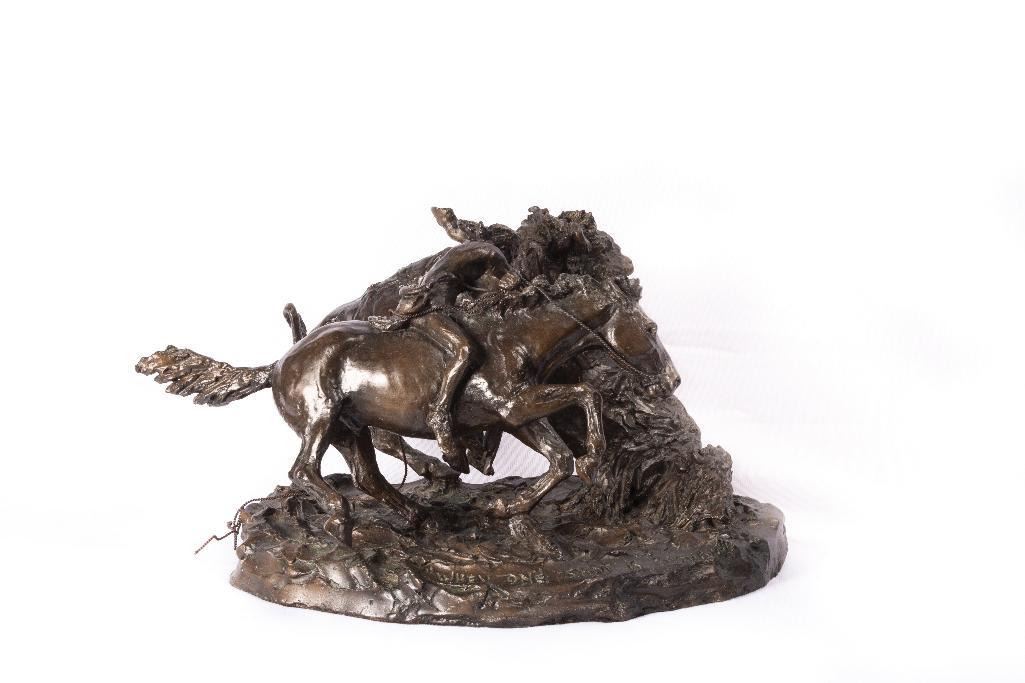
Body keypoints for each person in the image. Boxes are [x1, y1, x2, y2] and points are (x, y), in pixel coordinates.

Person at [383, 209, 519, 473]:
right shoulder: (489, 255)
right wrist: (510, 284)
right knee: (464, 350)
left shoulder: (472, 256)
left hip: (441, 308)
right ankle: (440, 412)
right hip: (427, 310)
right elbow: (499, 286)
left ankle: (478, 445)